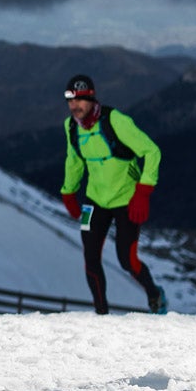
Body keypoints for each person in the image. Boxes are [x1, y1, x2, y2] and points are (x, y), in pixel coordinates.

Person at [58, 74, 167, 315]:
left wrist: (144, 191)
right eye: (70, 102)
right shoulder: (71, 127)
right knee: (91, 257)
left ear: (92, 98)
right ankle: (101, 315)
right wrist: (69, 192)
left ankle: (154, 293)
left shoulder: (115, 120)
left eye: (80, 101)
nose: (74, 107)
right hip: (95, 200)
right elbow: (74, 161)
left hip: (127, 199)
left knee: (127, 260)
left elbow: (151, 151)